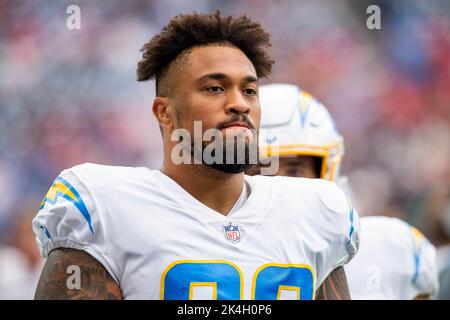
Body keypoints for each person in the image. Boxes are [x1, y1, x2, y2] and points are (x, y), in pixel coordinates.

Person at [32, 12, 359, 300]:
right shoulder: (105, 206)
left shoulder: (315, 212)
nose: (239, 104)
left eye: (249, 91)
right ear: (165, 111)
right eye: (215, 88)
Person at [255, 82, 439, 299]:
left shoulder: (392, 249)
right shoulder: (212, 246)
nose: (279, 184)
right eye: (261, 172)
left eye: (295, 170)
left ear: (327, 173)